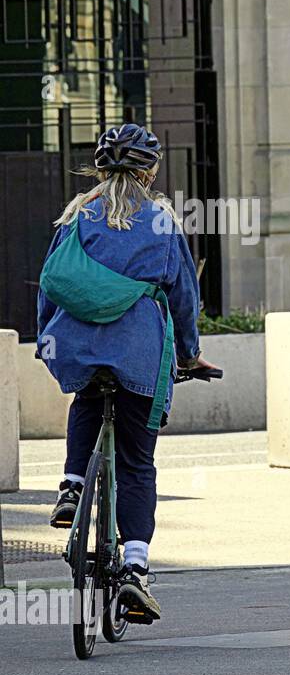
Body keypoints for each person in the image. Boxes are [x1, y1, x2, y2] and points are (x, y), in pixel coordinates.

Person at [38, 123, 211, 621]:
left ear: (99, 168)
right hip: (139, 350)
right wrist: (188, 353)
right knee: (136, 462)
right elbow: (182, 298)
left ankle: (72, 486)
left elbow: (50, 285)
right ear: (150, 172)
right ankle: (134, 570)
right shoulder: (160, 220)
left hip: (78, 343)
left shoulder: (77, 215)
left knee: (87, 401)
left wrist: (46, 338)